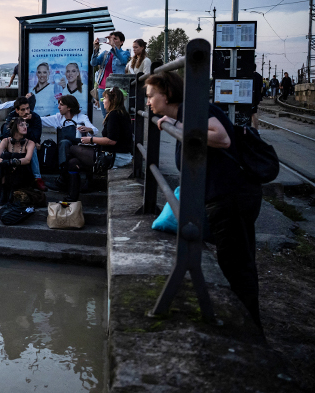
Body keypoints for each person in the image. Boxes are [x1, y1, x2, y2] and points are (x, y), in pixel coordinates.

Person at [147, 71, 263, 328]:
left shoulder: (194, 110)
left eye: (151, 95)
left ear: (166, 94)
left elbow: (222, 138)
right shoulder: (186, 113)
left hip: (231, 197)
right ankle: (248, 323)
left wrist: (178, 126)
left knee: (236, 265)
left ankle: (248, 330)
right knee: (236, 261)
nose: (148, 102)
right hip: (228, 196)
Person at [64, 88, 133, 199]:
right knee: (73, 162)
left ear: (112, 100)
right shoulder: (121, 113)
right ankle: (72, 197)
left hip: (116, 157)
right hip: (116, 155)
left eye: (104, 98)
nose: (102, 101)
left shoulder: (114, 115)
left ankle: (64, 180)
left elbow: (112, 141)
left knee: (72, 149)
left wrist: (91, 140)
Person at [40, 95, 99, 193]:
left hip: (80, 149)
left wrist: (88, 129)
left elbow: (95, 130)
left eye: (61, 105)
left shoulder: (81, 117)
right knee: (64, 143)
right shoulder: (58, 118)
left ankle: (63, 179)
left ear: (69, 107)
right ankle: (64, 178)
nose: (59, 107)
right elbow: (41, 120)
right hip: (66, 149)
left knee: (65, 144)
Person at [0, 117, 36, 205]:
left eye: (26, 125)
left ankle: (12, 191)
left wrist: (12, 162)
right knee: (6, 156)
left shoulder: (30, 143)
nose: (25, 127)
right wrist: (1, 160)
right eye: (22, 125)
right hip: (8, 174)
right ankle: (3, 189)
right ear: (15, 127)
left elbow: (27, 159)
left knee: (15, 156)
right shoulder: (6, 141)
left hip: (24, 174)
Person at [6, 96, 46, 191]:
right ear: (17, 110)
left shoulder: (35, 117)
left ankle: (37, 178)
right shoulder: (12, 116)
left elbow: (35, 137)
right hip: (13, 142)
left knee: (32, 146)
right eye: (23, 110)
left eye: (28, 108)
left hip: (28, 142)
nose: (26, 112)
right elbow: (6, 133)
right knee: (2, 144)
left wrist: (26, 123)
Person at [90, 31, 130, 107]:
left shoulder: (125, 53)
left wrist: (114, 47)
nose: (113, 40)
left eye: (115, 39)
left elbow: (123, 61)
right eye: (111, 39)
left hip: (117, 88)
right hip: (102, 87)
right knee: (105, 112)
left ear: (121, 42)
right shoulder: (105, 54)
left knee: (116, 110)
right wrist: (96, 49)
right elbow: (93, 63)